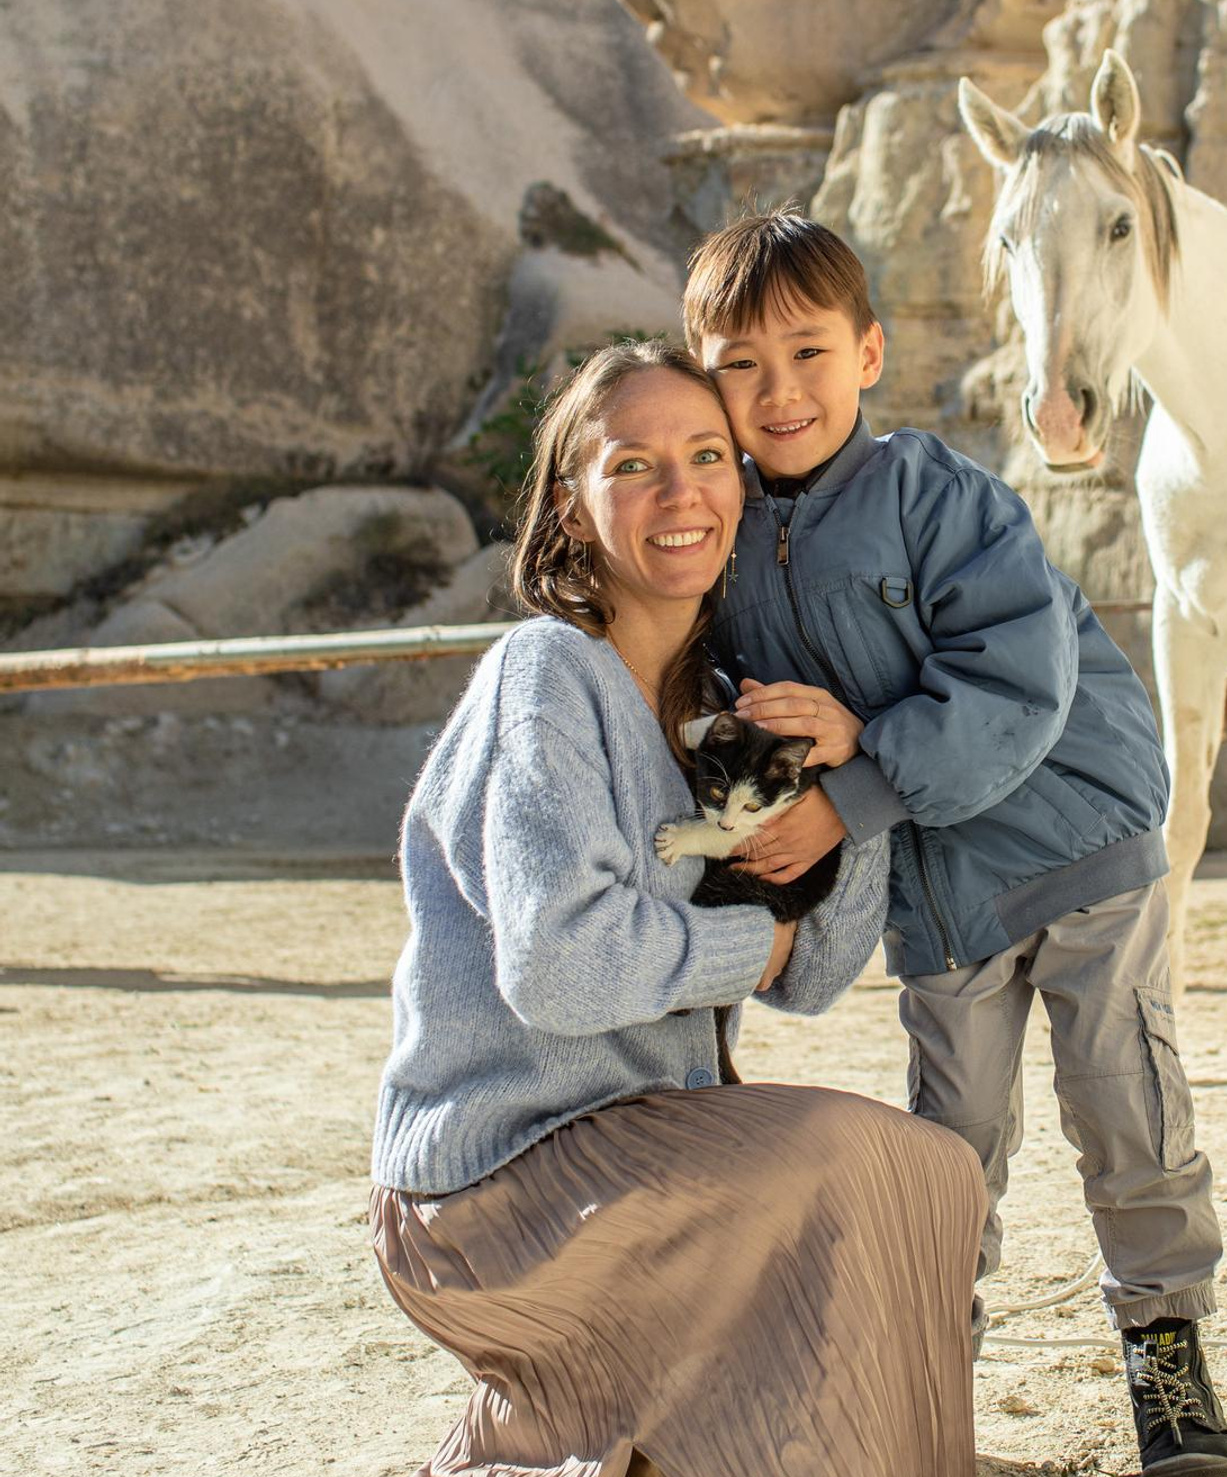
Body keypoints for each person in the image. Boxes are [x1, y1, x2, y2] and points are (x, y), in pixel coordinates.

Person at [685, 214, 1227, 1476]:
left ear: (869, 353)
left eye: (809, 353)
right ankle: (930, 1367)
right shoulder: (724, 544)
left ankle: (1166, 1350)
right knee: (950, 1144)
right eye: (740, 365)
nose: (780, 392)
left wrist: (859, 780)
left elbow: (1016, 679)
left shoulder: (937, 495)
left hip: (1077, 846)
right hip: (937, 904)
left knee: (1127, 1104)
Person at [368, 339, 984, 1477]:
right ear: (572, 506)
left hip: (652, 1149)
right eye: (633, 466)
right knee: (843, 1159)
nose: (679, 492)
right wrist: (755, 942)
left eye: (706, 456)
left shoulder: (724, 708)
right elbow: (560, 967)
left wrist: (846, 782)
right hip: (497, 1180)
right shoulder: (546, 675)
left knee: (934, 1171)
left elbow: (815, 972)